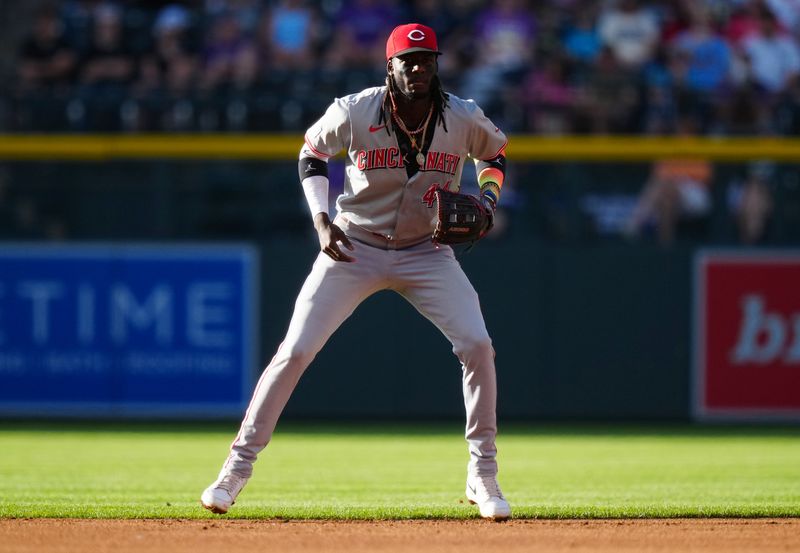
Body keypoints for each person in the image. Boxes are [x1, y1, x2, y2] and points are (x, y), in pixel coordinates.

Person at [200, 23, 511, 521]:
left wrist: (488, 200)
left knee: (477, 344)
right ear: (389, 67)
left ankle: (483, 473)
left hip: (426, 251)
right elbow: (312, 153)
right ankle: (235, 469)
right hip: (353, 244)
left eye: (426, 60)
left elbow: (494, 155)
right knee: (296, 350)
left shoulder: (462, 116)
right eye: (407, 61)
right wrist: (320, 218)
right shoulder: (354, 110)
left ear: (436, 65)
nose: (417, 68)